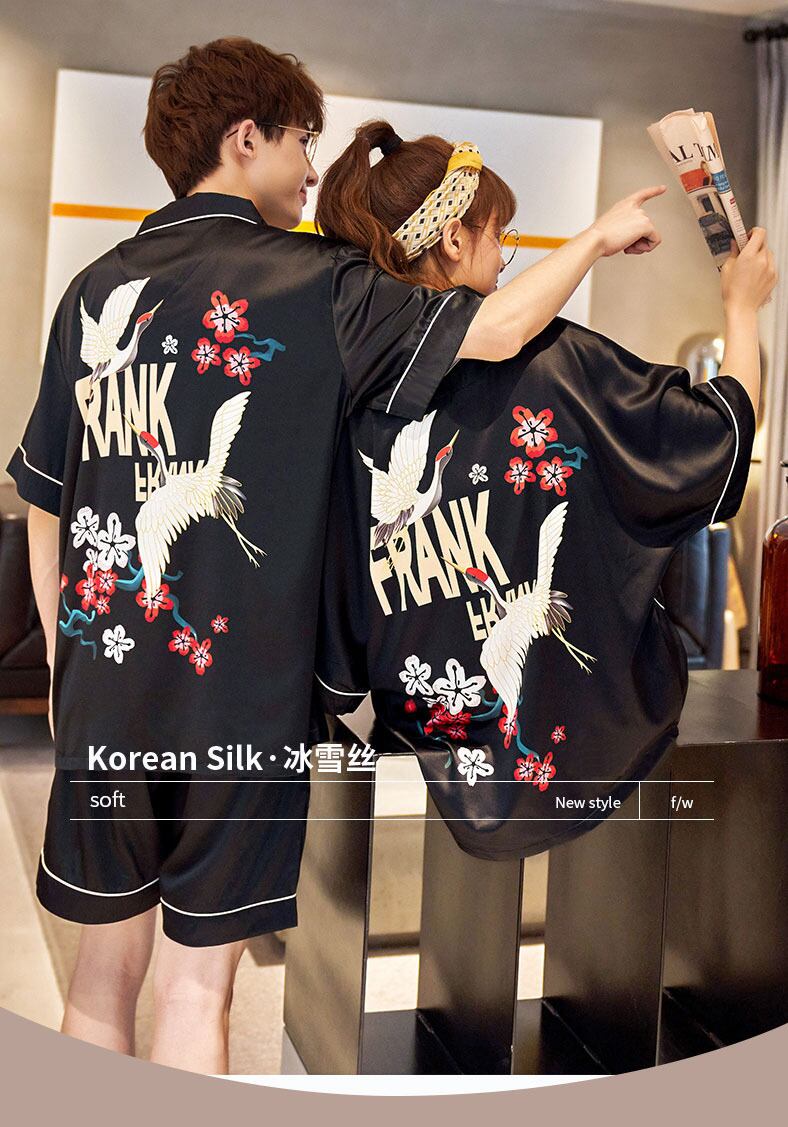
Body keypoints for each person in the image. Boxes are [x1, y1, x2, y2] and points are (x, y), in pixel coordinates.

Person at [8, 40, 669, 1073]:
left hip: (102, 686)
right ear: (245, 138)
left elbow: (44, 496)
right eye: (299, 141)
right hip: (240, 699)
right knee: (198, 986)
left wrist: (63, 660)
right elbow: (494, 329)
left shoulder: (95, 289)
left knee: (100, 976)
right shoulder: (320, 283)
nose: (311, 169)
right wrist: (594, 237)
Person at [313, 121, 776, 860]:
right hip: (577, 771)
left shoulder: (350, 397)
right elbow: (718, 438)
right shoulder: (559, 367)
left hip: (417, 761)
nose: (506, 260)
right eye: (500, 237)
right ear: (454, 239)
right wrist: (742, 309)